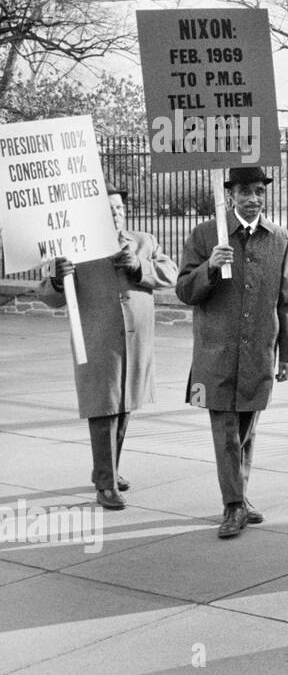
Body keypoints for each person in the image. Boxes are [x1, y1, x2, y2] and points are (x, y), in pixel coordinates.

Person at [175, 166, 288, 539]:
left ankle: (239, 497)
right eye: (245, 191)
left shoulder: (279, 239)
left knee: (246, 430)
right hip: (217, 353)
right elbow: (183, 290)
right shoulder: (204, 236)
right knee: (226, 431)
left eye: (259, 191)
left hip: (259, 352)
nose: (253, 199)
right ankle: (233, 506)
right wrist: (209, 267)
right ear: (229, 194)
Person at [40, 182, 177, 510]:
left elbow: (171, 273)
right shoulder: (73, 248)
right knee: (103, 407)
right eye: (108, 209)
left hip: (135, 340)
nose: (116, 214)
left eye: (119, 209)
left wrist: (138, 267)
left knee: (125, 404)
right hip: (97, 339)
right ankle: (105, 484)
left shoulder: (142, 241)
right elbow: (48, 295)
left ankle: (107, 469)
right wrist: (59, 279)